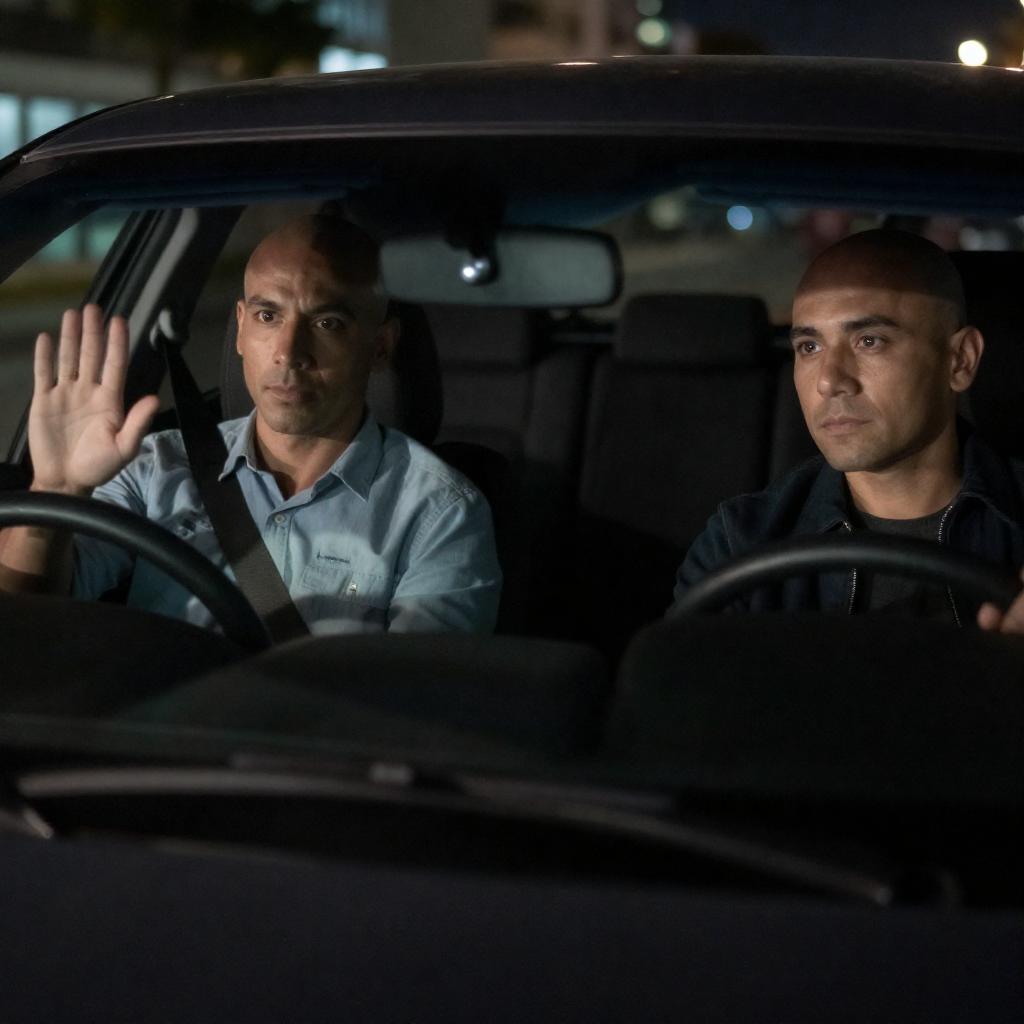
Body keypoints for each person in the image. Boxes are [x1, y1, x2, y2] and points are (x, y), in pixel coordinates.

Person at [0, 214, 501, 634]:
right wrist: (56, 490)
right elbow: (23, 617)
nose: (289, 352)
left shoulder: (438, 514)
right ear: (239, 327)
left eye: (327, 323)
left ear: (380, 347)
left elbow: (416, 700)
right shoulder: (155, 469)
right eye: (267, 316)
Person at [672, 227, 1024, 633]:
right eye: (809, 347)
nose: (829, 380)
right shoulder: (740, 542)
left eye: (869, 341)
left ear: (960, 360)